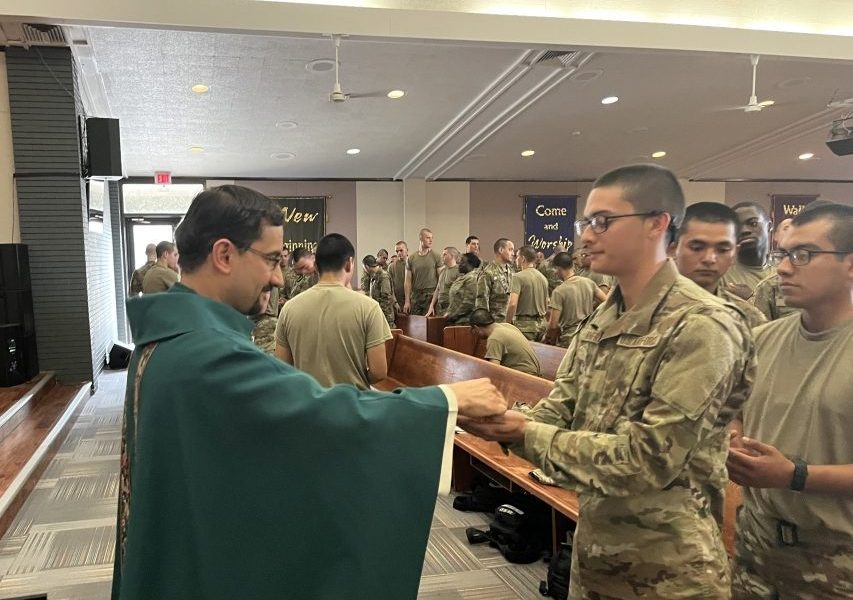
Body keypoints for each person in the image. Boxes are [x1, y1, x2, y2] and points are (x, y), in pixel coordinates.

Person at [113, 185, 507, 600]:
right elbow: (321, 411)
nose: (280, 277)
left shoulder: (165, 338)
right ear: (224, 254)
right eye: (271, 260)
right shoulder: (204, 352)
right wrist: (447, 402)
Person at [460, 164, 754, 599]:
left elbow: (647, 460)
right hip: (596, 554)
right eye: (586, 222)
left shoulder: (702, 325)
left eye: (603, 222)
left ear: (657, 224)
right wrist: (498, 419)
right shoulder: (605, 316)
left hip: (669, 571)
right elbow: (562, 405)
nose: (586, 236)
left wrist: (524, 432)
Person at [727, 204, 853, 600]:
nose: (782, 267)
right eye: (783, 254)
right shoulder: (765, 339)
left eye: (803, 255)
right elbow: (737, 413)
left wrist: (794, 475)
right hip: (756, 544)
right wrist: (733, 440)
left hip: (836, 560)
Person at [276, 235, 391, 390]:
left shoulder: (289, 309)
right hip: (353, 404)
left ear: (316, 265)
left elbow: (283, 368)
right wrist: (355, 379)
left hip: (307, 404)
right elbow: (379, 372)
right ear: (349, 264)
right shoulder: (369, 308)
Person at [674, 202, 767, 329]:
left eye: (722, 250)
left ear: (734, 254)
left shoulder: (748, 317)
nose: (709, 259)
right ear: (673, 249)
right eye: (697, 248)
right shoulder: (647, 305)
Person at [543, 250, 606, 347]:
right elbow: (606, 302)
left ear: (559, 269)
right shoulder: (589, 283)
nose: (555, 273)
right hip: (587, 337)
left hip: (569, 339)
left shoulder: (559, 291)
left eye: (555, 270)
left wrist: (547, 338)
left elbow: (553, 325)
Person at [721, 201, 775, 300]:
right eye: (737, 227)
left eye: (753, 223)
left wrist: (752, 298)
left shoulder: (784, 272)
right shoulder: (721, 275)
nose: (744, 230)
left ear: (769, 226)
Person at [469, 308, 541, 376]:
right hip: (533, 372)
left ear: (476, 328)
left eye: (473, 331)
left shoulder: (494, 338)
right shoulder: (507, 326)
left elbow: (494, 370)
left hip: (525, 376)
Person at [506, 245, 549, 341]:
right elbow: (547, 304)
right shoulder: (543, 278)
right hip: (542, 326)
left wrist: (507, 324)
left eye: (517, 256)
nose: (516, 259)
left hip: (524, 326)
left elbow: (512, 304)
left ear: (523, 259)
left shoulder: (517, 277)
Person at [404, 228, 442, 315]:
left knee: (429, 324)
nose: (431, 240)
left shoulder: (436, 256)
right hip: (416, 296)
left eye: (432, 238)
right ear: (421, 238)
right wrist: (407, 301)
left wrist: (435, 300)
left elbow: (441, 279)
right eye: (428, 238)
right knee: (415, 324)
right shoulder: (411, 258)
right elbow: (407, 281)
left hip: (430, 295)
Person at [476, 238, 515, 322]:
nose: (513, 254)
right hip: (495, 322)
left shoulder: (512, 272)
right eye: (510, 250)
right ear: (501, 250)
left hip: (511, 321)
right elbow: (482, 301)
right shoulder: (488, 272)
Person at [445, 253, 484, 324]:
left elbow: (469, 302)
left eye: (462, 262)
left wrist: (454, 315)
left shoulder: (472, 278)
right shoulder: (463, 277)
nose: (459, 263)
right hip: (456, 320)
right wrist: (449, 313)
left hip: (465, 321)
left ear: (470, 264)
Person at [363, 254, 395, 328]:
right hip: (378, 315)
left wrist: (377, 313)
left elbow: (386, 299)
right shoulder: (374, 275)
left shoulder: (383, 276)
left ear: (366, 266)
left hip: (385, 317)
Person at [427, 247, 460, 317]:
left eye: (445, 254)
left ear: (452, 256)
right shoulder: (442, 271)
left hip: (451, 309)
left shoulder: (459, 271)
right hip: (440, 308)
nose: (442, 256)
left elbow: (460, 293)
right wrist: (431, 305)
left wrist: (451, 310)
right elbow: (438, 289)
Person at [389, 241, 408, 311]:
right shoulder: (391, 267)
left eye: (401, 250)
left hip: (412, 301)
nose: (399, 253)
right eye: (397, 251)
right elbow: (390, 286)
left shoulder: (413, 264)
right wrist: (395, 302)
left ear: (407, 250)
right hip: (398, 301)